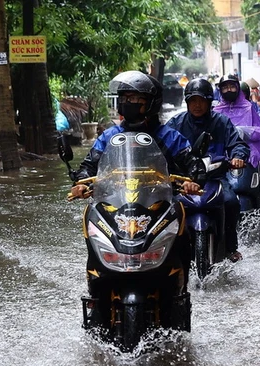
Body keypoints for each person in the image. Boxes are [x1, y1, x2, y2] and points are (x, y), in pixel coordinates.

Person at [70, 71, 204, 197]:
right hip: (117, 201)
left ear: (151, 102)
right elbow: (88, 167)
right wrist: (82, 183)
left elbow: (194, 165)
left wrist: (191, 182)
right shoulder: (109, 136)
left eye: (134, 98)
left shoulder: (169, 137)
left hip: (161, 201)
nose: (128, 102)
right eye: (124, 98)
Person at [166, 77, 250, 262]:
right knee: (166, 207)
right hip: (183, 181)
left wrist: (238, 157)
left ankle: (230, 247)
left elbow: (237, 144)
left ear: (210, 102)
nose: (197, 105)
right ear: (187, 102)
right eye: (193, 101)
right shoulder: (175, 124)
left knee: (231, 202)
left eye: (202, 101)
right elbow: (160, 147)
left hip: (215, 179)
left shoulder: (222, 122)